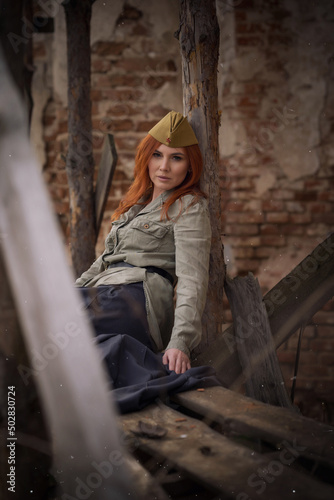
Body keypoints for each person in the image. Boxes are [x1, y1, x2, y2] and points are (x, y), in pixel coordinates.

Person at [75, 110, 219, 413]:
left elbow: (193, 279)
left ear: (190, 164)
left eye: (176, 158)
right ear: (146, 158)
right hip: (102, 293)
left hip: (136, 301)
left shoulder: (189, 206)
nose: (164, 166)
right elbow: (101, 262)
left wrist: (180, 340)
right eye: (157, 155)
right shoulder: (134, 205)